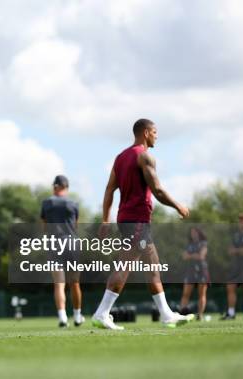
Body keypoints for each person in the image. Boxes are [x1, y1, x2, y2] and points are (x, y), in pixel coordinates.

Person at [92, 118, 193, 330]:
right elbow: (157, 190)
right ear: (146, 132)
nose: (157, 135)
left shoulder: (120, 158)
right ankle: (101, 313)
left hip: (128, 219)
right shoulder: (144, 156)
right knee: (126, 263)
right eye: (155, 132)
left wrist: (105, 219)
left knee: (153, 265)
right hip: (137, 220)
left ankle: (166, 314)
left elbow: (109, 189)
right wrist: (178, 206)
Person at [40, 175, 84, 327]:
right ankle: (78, 317)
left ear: (56, 186)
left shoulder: (47, 203)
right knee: (75, 283)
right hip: (72, 244)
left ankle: (63, 317)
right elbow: (75, 226)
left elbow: (44, 227)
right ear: (66, 187)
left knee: (59, 284)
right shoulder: (74, 203)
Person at [221, 213, 243, 321]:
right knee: (230, 287)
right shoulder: (236, 236)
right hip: (236, 266)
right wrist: (239, 251)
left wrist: (237, 251)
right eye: (240, 221)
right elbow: (230, 251)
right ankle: (231, 313)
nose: (241, 222)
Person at [179, 227, 209, 320]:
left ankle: (200, 315)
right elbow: (184, 256)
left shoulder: (203, 243)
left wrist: (190, 255)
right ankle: (182, 314)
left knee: (202, 294)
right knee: (185, 293)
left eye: (195, 232)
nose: (193, 234)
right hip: (190, 270)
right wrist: (194, 255)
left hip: (202, 270)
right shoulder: (189, 244)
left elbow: (201, 256)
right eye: (192, 232)